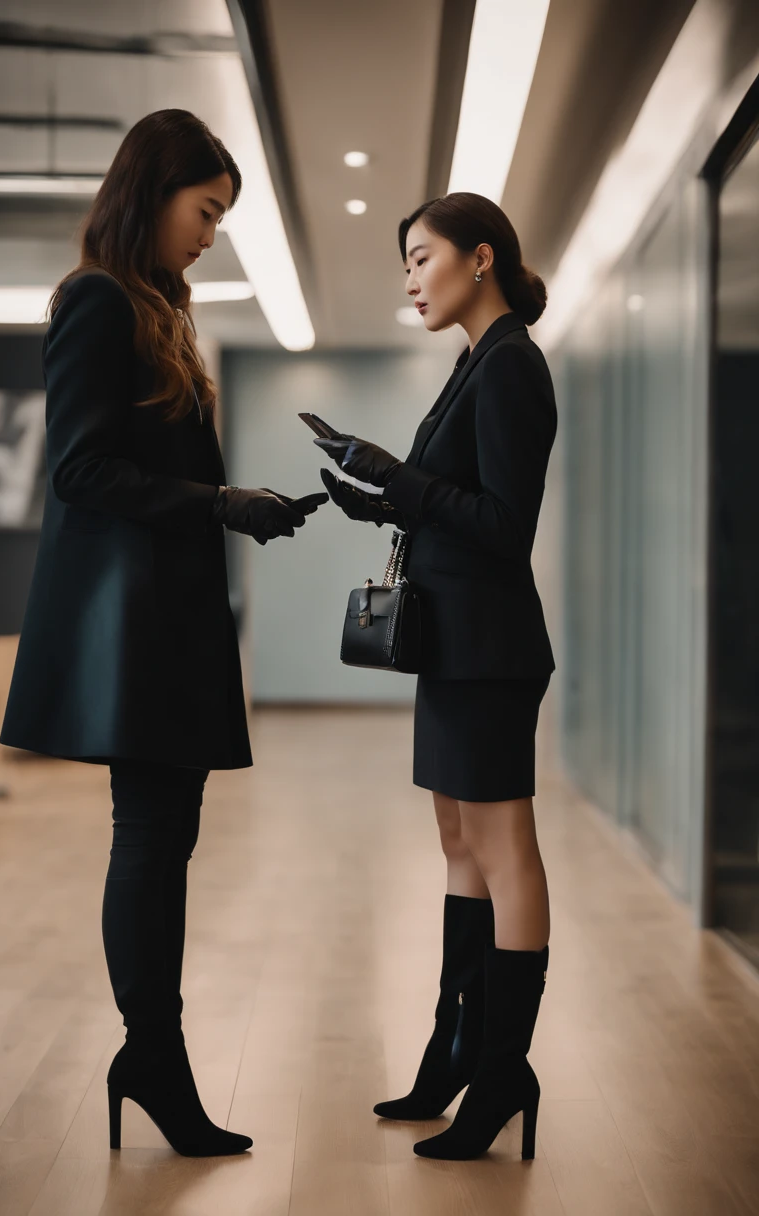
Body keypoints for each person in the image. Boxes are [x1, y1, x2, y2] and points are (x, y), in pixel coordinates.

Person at [0, 110, 327, 1158]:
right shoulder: (97, 301)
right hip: (136, 627)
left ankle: (153, 1055)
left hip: (166, 620)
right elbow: (80, 471)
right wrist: (218, 501)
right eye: (206, 210)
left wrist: (226, 503)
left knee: (163, 841)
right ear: (155, 193)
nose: (210, 233)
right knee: (148, 840)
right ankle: (154, 1053)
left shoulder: (152, 308)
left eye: (222, 216)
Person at [316, 192, 556, 1161]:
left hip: (490, 650)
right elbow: (448, 504)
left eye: (421, 257)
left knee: (502, 847)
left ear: (481, 258)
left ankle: (502, 1069)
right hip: (455, 642)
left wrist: (398, 480)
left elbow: (504, 524)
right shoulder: (472, 363)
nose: (411, 278)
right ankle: (452, 1047)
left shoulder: (510, 367)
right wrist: (373, 496)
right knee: (459, 840)